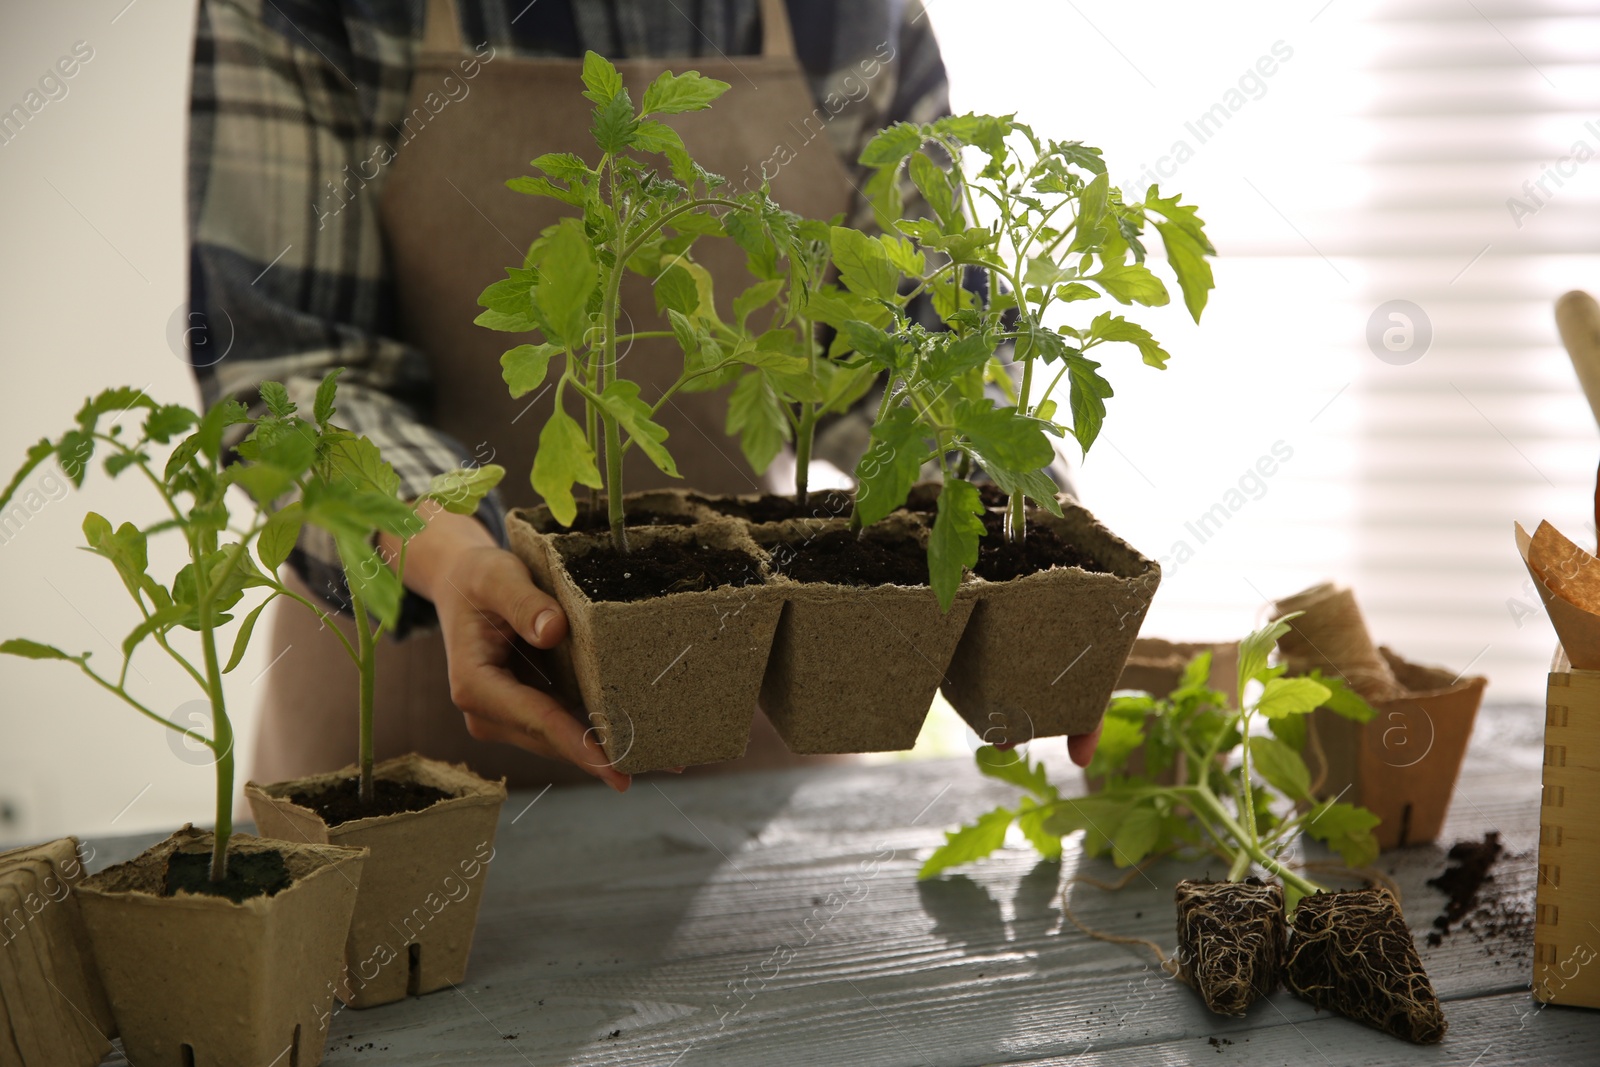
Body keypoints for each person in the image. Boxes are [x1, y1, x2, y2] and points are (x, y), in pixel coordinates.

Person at [186, 0, 1100, 794]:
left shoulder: (854, 12)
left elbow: (920, 340)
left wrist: (1014, 537)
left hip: (747, 696)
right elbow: (280, 374)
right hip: (404, 715)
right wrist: (449, 547)